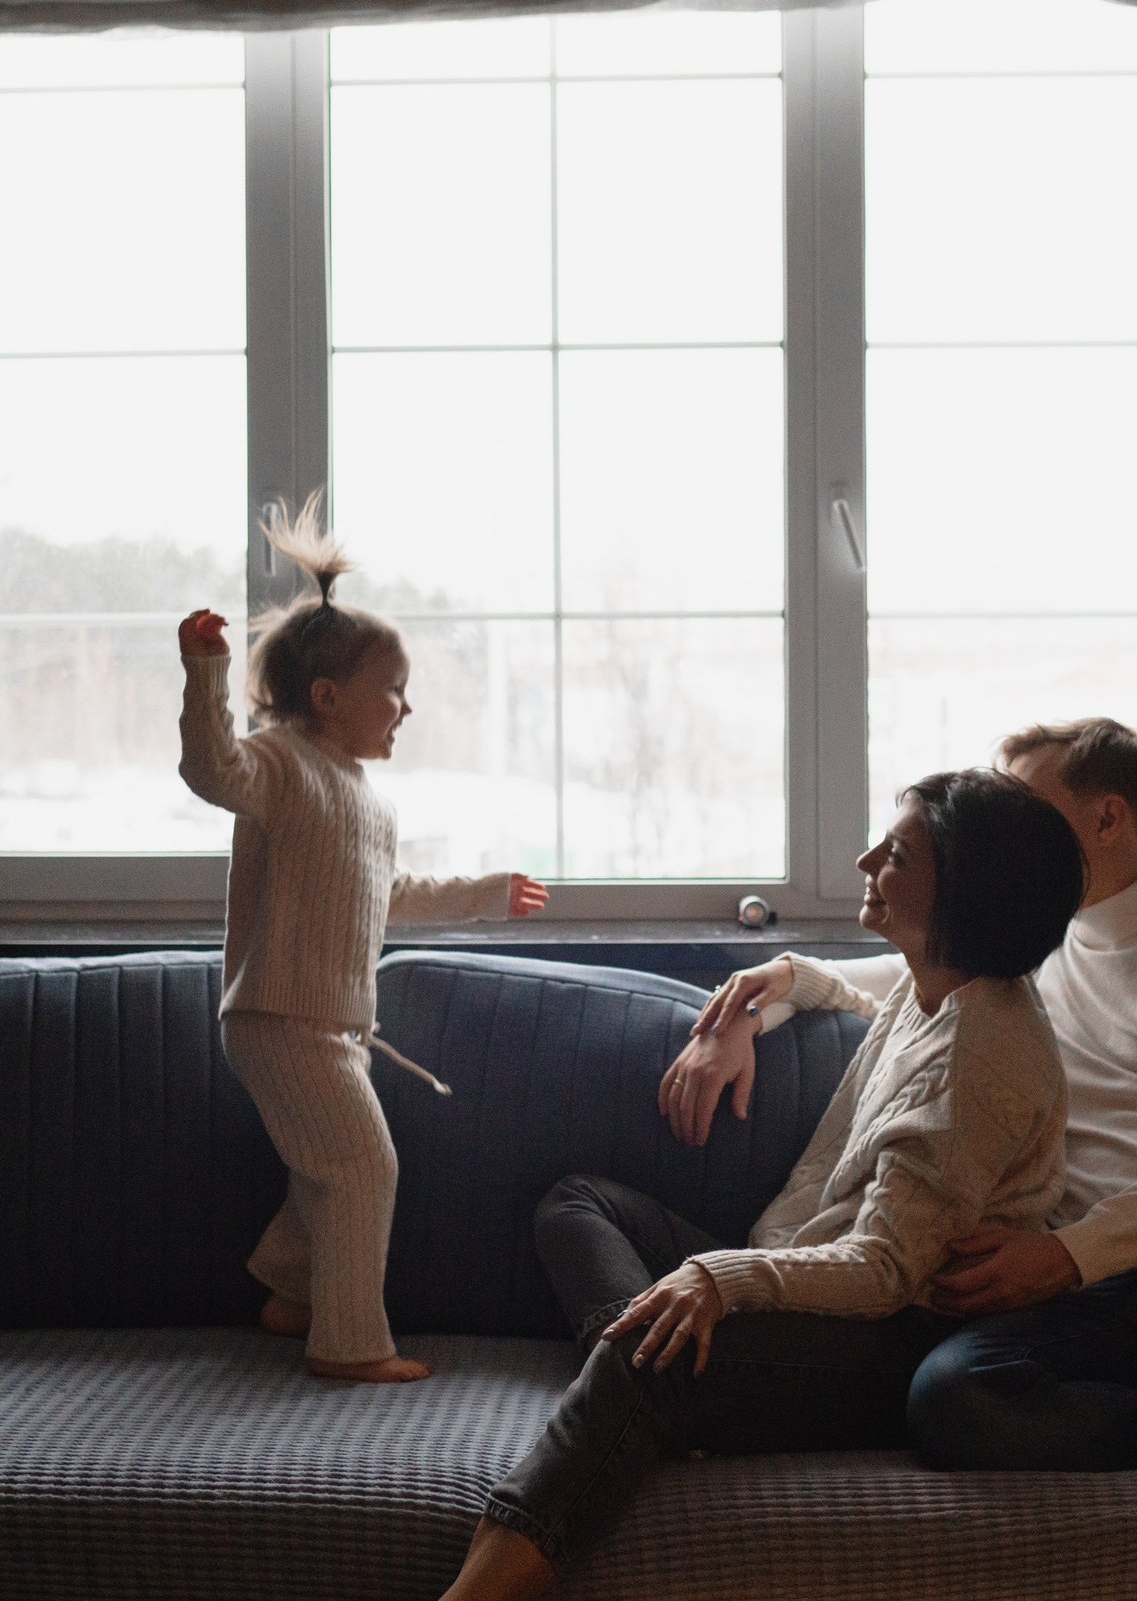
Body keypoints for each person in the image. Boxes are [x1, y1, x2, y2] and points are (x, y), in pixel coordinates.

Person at [438, 769, 1084, 1599]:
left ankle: (620, 1422)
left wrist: (719, 1276)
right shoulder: (941, 989)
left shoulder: (980, 1057)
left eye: (894, 855)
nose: (862, 861)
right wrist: (772, 990)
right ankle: (659, 1399)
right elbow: (857, 1004)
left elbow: (887, 1271)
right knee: (579, 1202)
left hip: (889, 1335)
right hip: (808, 1275)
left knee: (650, 1357)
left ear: (963, 891)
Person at [178, 497, 547, 1384]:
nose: (406, 708)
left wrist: (488, 894)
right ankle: (347, 1343)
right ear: (328, 697)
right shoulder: (279, 762)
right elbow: (209, 770)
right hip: (278, 1016)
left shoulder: (364, 796)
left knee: (327, 1167)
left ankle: (290, 1292)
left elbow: (388, 897)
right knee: (360, 1165)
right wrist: (204, 672)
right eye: (393, 690)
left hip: (325, 1024)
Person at [906, 719, 1137, 1469]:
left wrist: (1067, 1255)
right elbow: (924, 980)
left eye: (1026, 807)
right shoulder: (1051, 934)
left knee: (957, 1396)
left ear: (1107, 818)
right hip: (1058, 1269)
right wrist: (779, 983)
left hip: (1105, 1264)